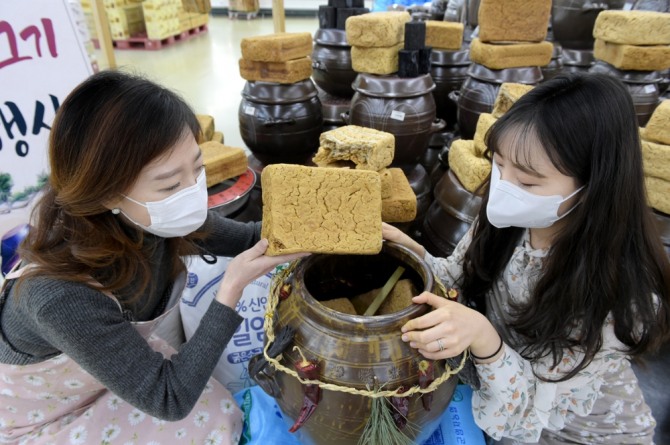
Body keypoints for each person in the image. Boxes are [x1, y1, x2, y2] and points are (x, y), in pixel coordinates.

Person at [0, 70, 305, 444]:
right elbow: (169, 399)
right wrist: (231, 289)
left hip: (109, 369)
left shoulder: (153, 216)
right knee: (201, 424)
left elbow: (251, 238)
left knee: (220, 412)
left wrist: (356, 228)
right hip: (47, 412)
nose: (191, 192)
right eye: (170, 184)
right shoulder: (58, 294)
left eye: (197, 168)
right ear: (106, 194)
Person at [384, 73, 670, 443]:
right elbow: (454, 277)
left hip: (576, 431)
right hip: (502, 393)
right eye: (499, 165)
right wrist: (410, 251)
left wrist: (483, 337)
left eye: (530, 182)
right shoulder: (511, 221)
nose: (504, 186)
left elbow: (531, 407)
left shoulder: (617, 293)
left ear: (593, 185)